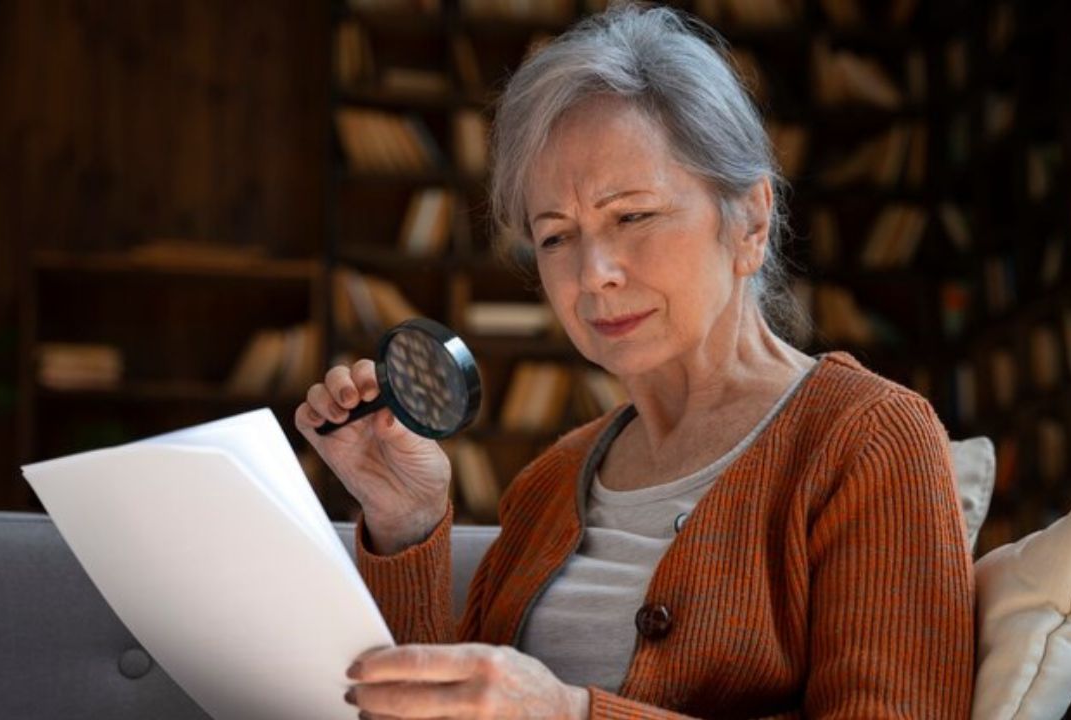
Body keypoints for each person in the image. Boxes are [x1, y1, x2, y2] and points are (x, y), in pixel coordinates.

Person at [296, 4, 974, 718]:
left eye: (632, 216)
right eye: (555, 237)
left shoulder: (870, 439)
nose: (593, 273)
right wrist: (406, 518)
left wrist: (571, 714)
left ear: (749, 222)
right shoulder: (548, 483)